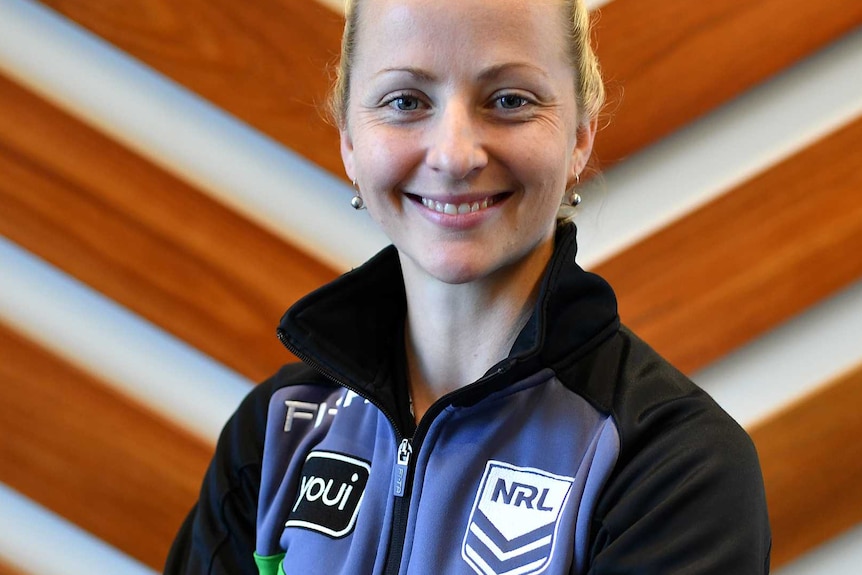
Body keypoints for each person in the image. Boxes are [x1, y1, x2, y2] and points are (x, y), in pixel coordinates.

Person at [165, 0, 772, 573]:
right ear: (349, 137)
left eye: (509, 99)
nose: (454, 156)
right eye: (405, 101)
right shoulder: (276, 432)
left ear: (581, 133)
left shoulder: (674, 463)